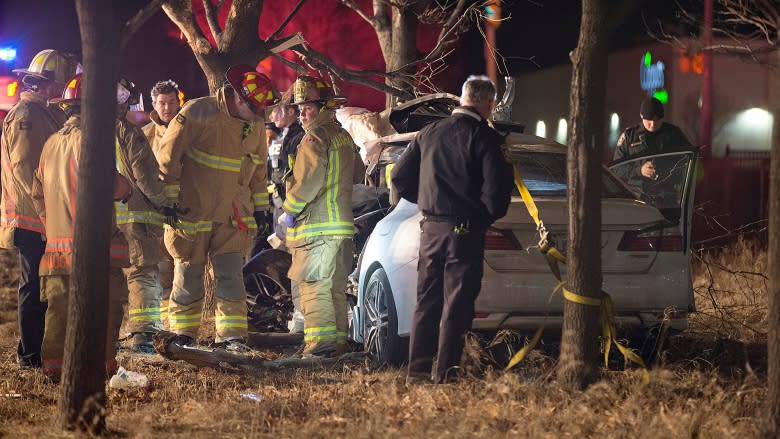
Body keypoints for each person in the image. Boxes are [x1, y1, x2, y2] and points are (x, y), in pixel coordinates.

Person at [391, 75, 513, 384]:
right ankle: (446, 375)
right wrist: (481, 218)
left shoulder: (430, 132)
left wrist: (429, 202)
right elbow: (497, 193)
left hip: (430, 229)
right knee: (457, 304)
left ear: (462, 99)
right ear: (488, 103)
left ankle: (416, 371)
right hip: (465, 230)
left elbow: (400, 178)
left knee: (426, 301)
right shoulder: (485, 138)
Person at [156, 64, 276, 351]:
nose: (260, 116)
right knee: (188, 273)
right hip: (192, 212)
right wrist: (169, 201)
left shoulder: (256, 125)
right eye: (255, 108)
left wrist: (261, 207)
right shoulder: (197, 113)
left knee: (231, 275)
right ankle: (184, 335)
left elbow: (258, 171)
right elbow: (168, 159)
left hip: (232, 216)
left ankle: (232, 337)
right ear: (239, 99)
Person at [31, 73, 132, 380]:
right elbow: (110, 186)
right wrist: (127, 187)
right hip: (93, 250)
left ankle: (54, 373)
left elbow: (37, 193)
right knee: (103, 313)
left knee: (59, 315)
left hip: (57, 250)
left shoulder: (51, 143)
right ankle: (97, 373)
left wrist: (54, 226)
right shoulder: (90, 141)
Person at [0, 49, 80, 369]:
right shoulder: (28, 118)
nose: (65, 92)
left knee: (45, 286)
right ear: (46, 85)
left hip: (45, 216)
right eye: (62, 85)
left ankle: (41, 352)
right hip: (33, 218)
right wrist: (50, 209)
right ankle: (30, 357)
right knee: (33, 288)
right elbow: (27, 168)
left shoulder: (45, 114)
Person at [279, 75, 365, 357]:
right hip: (342, 230)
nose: (303, 113)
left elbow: (308, 182)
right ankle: (338, 344)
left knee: (315, 288)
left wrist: (289, 211)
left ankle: (320, 348)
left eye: (309, 107)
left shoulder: (314, 139)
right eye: (300, 107)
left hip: (316, 230)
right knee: (335, 290)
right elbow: (359, 175)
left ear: (324, 107)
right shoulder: (344, 138)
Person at [115, 77, 168, 353]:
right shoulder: (127, 131)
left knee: (109, 276)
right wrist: (163, 204)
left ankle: (106, 334)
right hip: (134, 214)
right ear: (123, 100)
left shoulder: (83, 131)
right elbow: (145, 176)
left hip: (103, 219)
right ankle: (144, 337)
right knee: (142, 273)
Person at [141, 79, 181, 321]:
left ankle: (180, 321)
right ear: (154, 104)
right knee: (161, 269)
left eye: (171, 102)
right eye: (162, 103)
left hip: (185, 211)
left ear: (179, 103)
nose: (167, 108)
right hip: (155, 211)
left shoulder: (190, 131)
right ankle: (164, 321)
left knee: (184, 268)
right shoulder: (145, 136)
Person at [612, 97, 693, 185]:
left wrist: (669, 169)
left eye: (657, 120)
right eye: (648, 120)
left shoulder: (673, 133)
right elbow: (617, 168)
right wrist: (639, 170)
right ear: (641, 116)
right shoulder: (629, 136)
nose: (653, 124)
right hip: (637, 193)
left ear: (662, 118)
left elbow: (689, 158)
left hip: (666, 192)